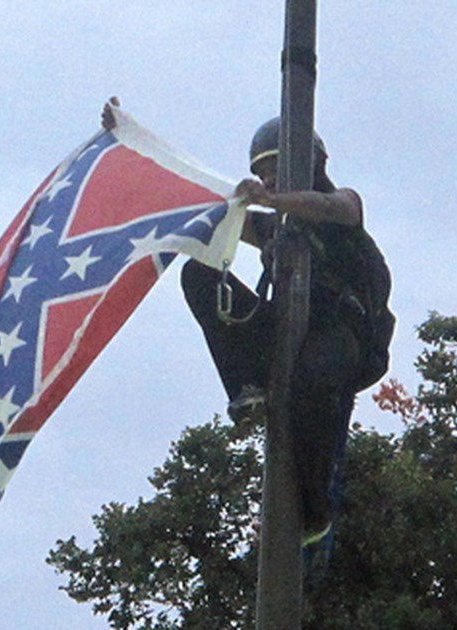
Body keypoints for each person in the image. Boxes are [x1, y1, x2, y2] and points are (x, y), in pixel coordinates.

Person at [103, 98, 395, 574]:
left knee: (312, 386)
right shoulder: (271, 225)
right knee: (199, 272)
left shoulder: (343, 205)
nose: (271, 180)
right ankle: (247, 388)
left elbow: (331, 207)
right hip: (282, 333)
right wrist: (134, 147)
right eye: (264, 172)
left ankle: (314, 514)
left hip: (341, 335)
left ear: (310, 164)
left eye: (278, 168)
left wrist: (274, 201)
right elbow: (207, 204)